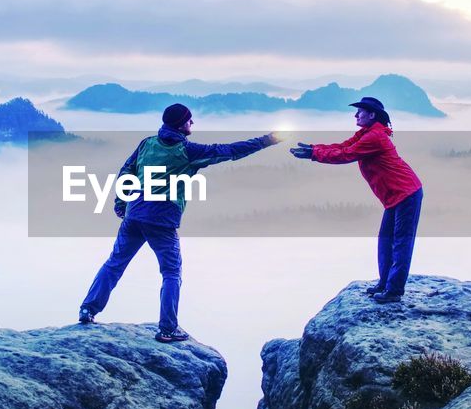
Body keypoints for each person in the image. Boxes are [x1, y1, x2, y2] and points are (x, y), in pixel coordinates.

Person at [79, 103, 278, 342]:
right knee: (171, 272)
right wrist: (268, 140)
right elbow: (230, 151)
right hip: (162, 219)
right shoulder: (187, 151)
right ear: (180, 124)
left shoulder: (147, 144)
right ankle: (167, 329)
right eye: (189, 120)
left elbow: (126, 172)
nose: (192, 123)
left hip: (134, 214)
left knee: (115, 264)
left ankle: (88, 309)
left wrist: (121, 203)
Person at [290, 96, 423, 303]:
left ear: (371, 115)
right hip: (395, 196)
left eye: (359, 111)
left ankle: (394, 291)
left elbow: (346, 155)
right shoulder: (366, 133)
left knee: (400, 243)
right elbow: (343, 146)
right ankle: (385, 283)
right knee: (386, 241)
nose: (355, 115)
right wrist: (314, 148)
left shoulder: (375, 137)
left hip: (406, 193)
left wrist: (314, 155)